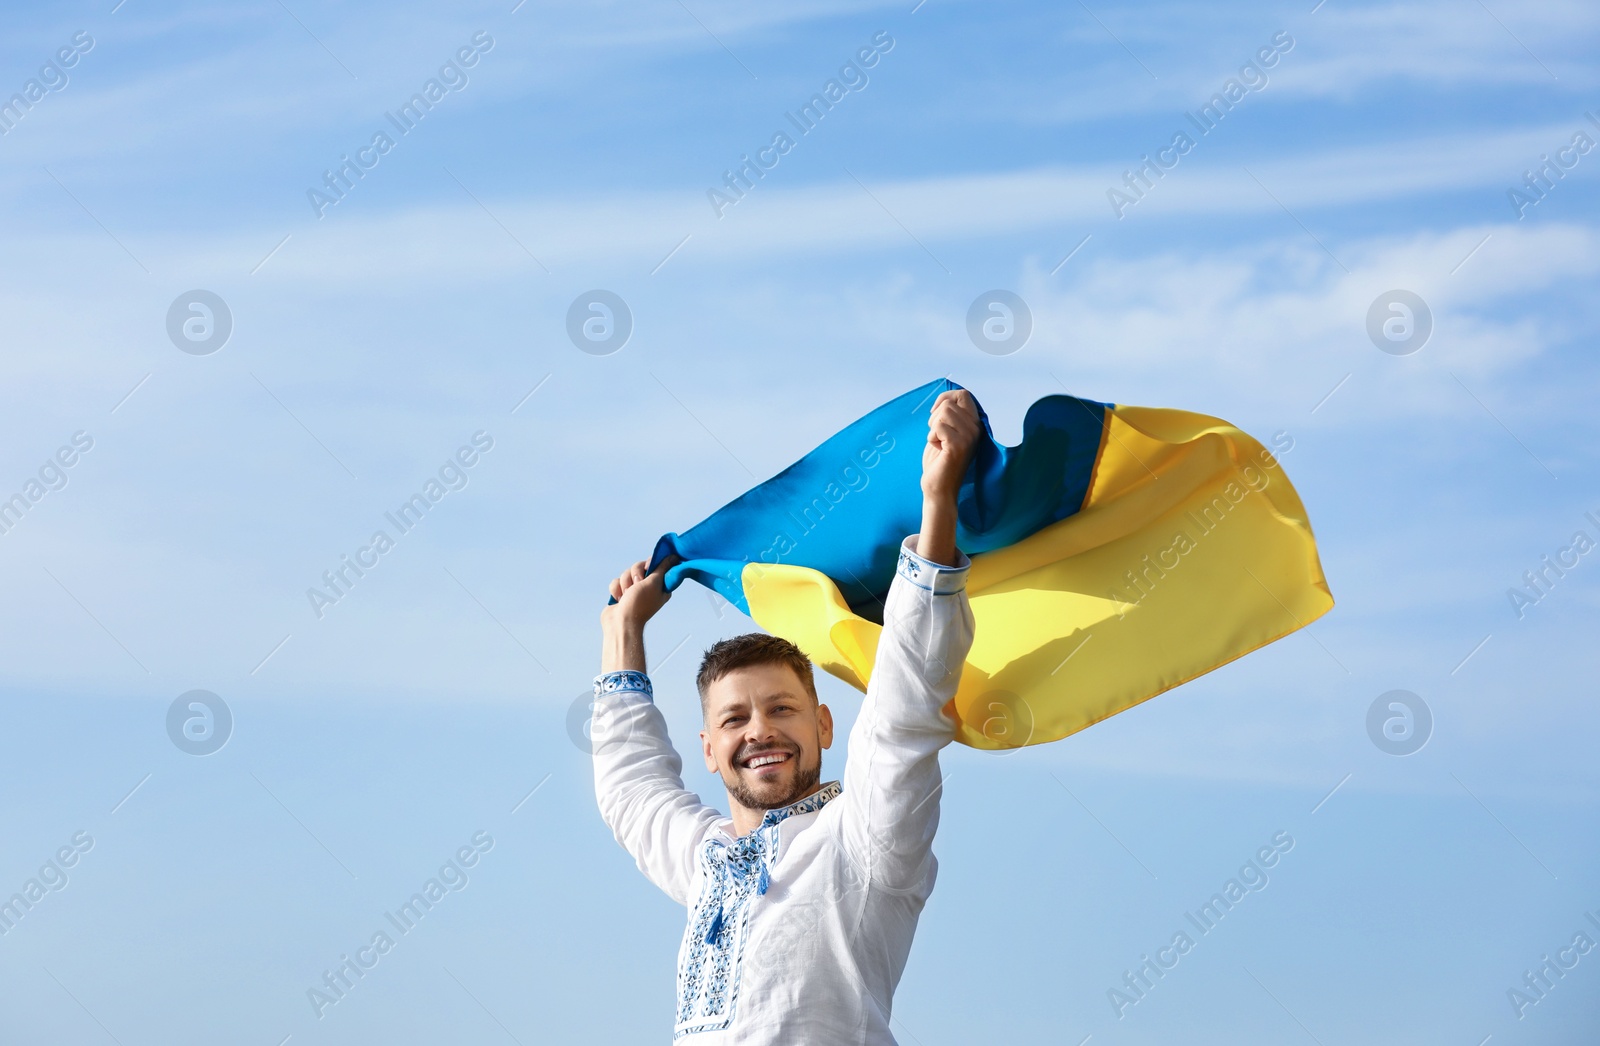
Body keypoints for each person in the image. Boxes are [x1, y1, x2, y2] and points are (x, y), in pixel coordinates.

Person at [593, 389, 981, 1043]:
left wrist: (939, 503)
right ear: (710, 750)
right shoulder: (707, 860)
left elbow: (903, 709)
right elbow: (631, 790)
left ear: (824, 727)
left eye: (781, 709)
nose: (759, 731)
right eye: (733, 720)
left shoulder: (862, 841)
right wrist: (621, 629)